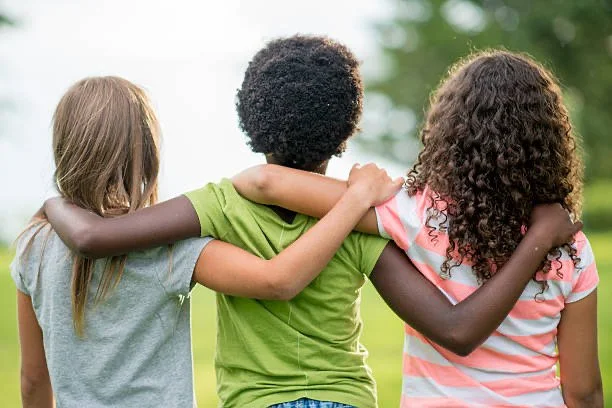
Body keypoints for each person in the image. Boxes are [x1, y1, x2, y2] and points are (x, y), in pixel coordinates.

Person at [43, 41, 581, 407]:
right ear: (347, 127)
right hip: (343, 396)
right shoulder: (362, 218)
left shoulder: (222, 205)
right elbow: (452, 326)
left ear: (249, 117)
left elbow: (97, 237)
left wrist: (53, 204)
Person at [231, 50, 603, 407]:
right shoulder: (570, 248)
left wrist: (361, 192)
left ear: (449, 135)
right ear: (549, 144)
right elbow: (583, 392)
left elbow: (265, 181)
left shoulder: (416, 214)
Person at [11, 76, 405, 407]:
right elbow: (276, 279)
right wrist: (354, 199)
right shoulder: (169, 249)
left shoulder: (32, 247)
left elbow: (32, 378)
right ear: (147, 153)